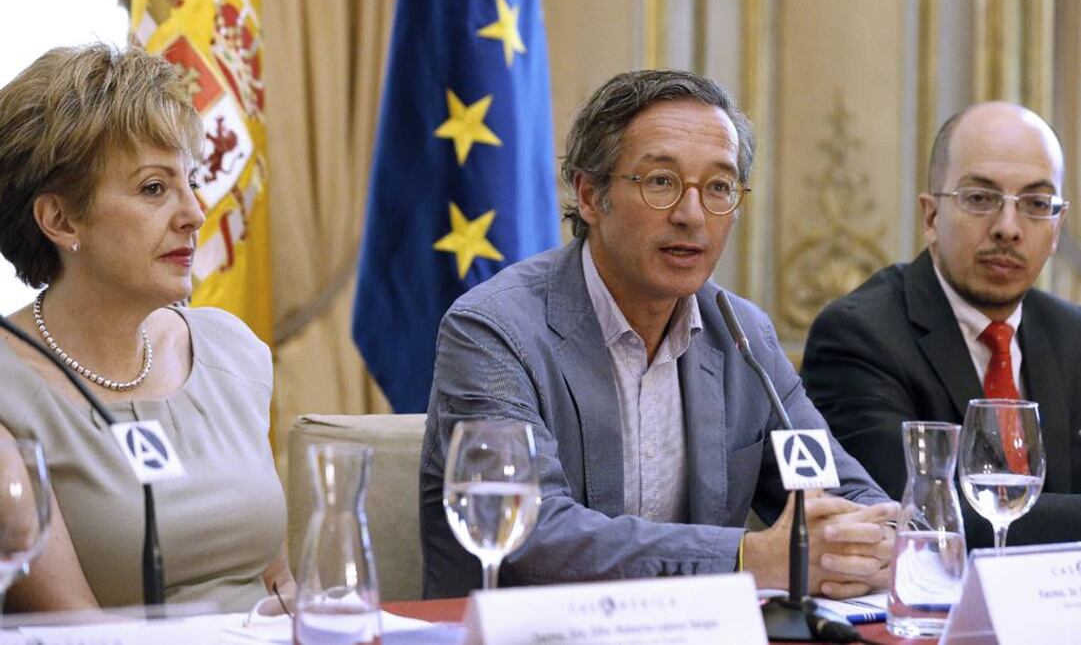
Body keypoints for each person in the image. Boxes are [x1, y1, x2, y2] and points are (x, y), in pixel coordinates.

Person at [420, 69, 898, 599]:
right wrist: (744, 559)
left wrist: (879, 539)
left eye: (718, 188)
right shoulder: (492, 330)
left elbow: (846, 494)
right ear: (589, 194)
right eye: (661, 182)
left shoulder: (743, 336)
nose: (692, 215)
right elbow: (530, 536)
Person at [0, 44, 291, 611]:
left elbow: (278, 588)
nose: (196, 212)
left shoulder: (231, 352)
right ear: (60, 220)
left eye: (191, 180)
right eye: (154, 189)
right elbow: (80, 630)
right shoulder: (8, 390)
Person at [803, 101, 1081, 548]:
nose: (1008, 228)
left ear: (1057, 226)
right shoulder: (858, 336)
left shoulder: (1072, 336)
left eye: (1036, 203)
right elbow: (919, 512)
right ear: (931, 217)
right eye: (980, 198)